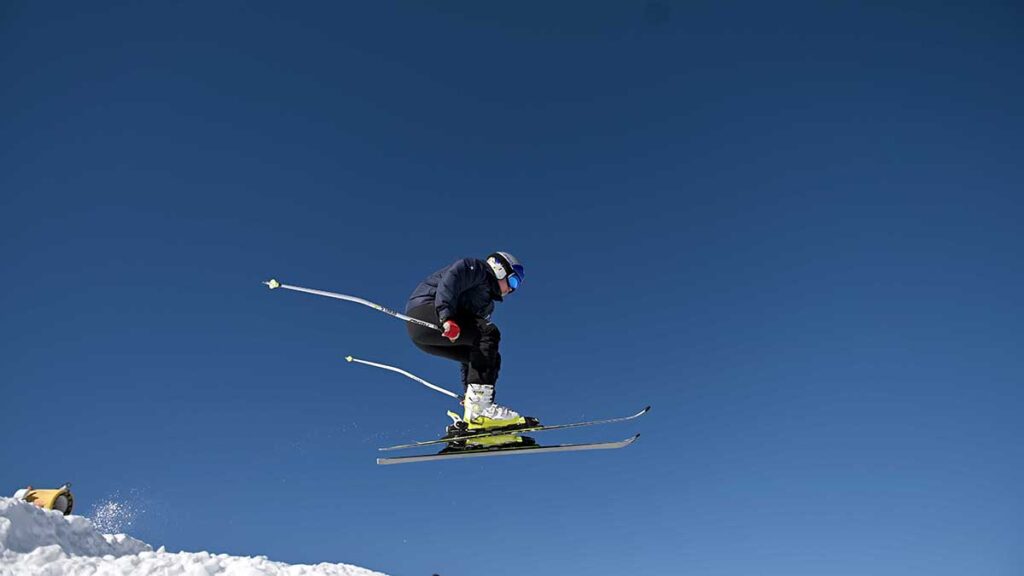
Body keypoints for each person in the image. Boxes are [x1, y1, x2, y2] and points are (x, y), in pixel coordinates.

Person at [405, 251, 536, 432]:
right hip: (425, 312)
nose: (512, 290)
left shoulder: (486, 306)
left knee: (487, 354)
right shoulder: (476, 269)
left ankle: (476, 409)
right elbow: (451, 280)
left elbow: (474, 350)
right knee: (489, 332)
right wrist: (446, 317)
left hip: (426, 338)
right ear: (500, 269)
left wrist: (468, 391)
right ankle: (480, 410)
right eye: (513, 282)